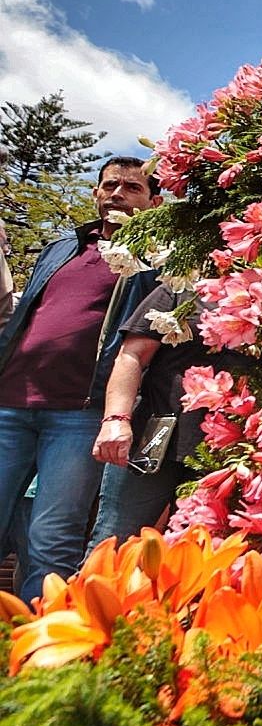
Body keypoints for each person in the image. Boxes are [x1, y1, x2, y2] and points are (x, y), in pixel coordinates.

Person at [0, 156, 162, 599]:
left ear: (154, 201)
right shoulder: (60, 248)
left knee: (53, 537)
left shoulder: (158, 259)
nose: (116, 194)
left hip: (79, 413)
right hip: (9, 404)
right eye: (110, 185)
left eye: (132, 188)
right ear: (95, 192)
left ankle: (43, 650)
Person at [89, 284, 226, 542]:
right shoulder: (183, 287)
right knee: (113, 541)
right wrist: (115, 420)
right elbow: (132, 355)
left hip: (227, 449)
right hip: (155, 436)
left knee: (197, 550)